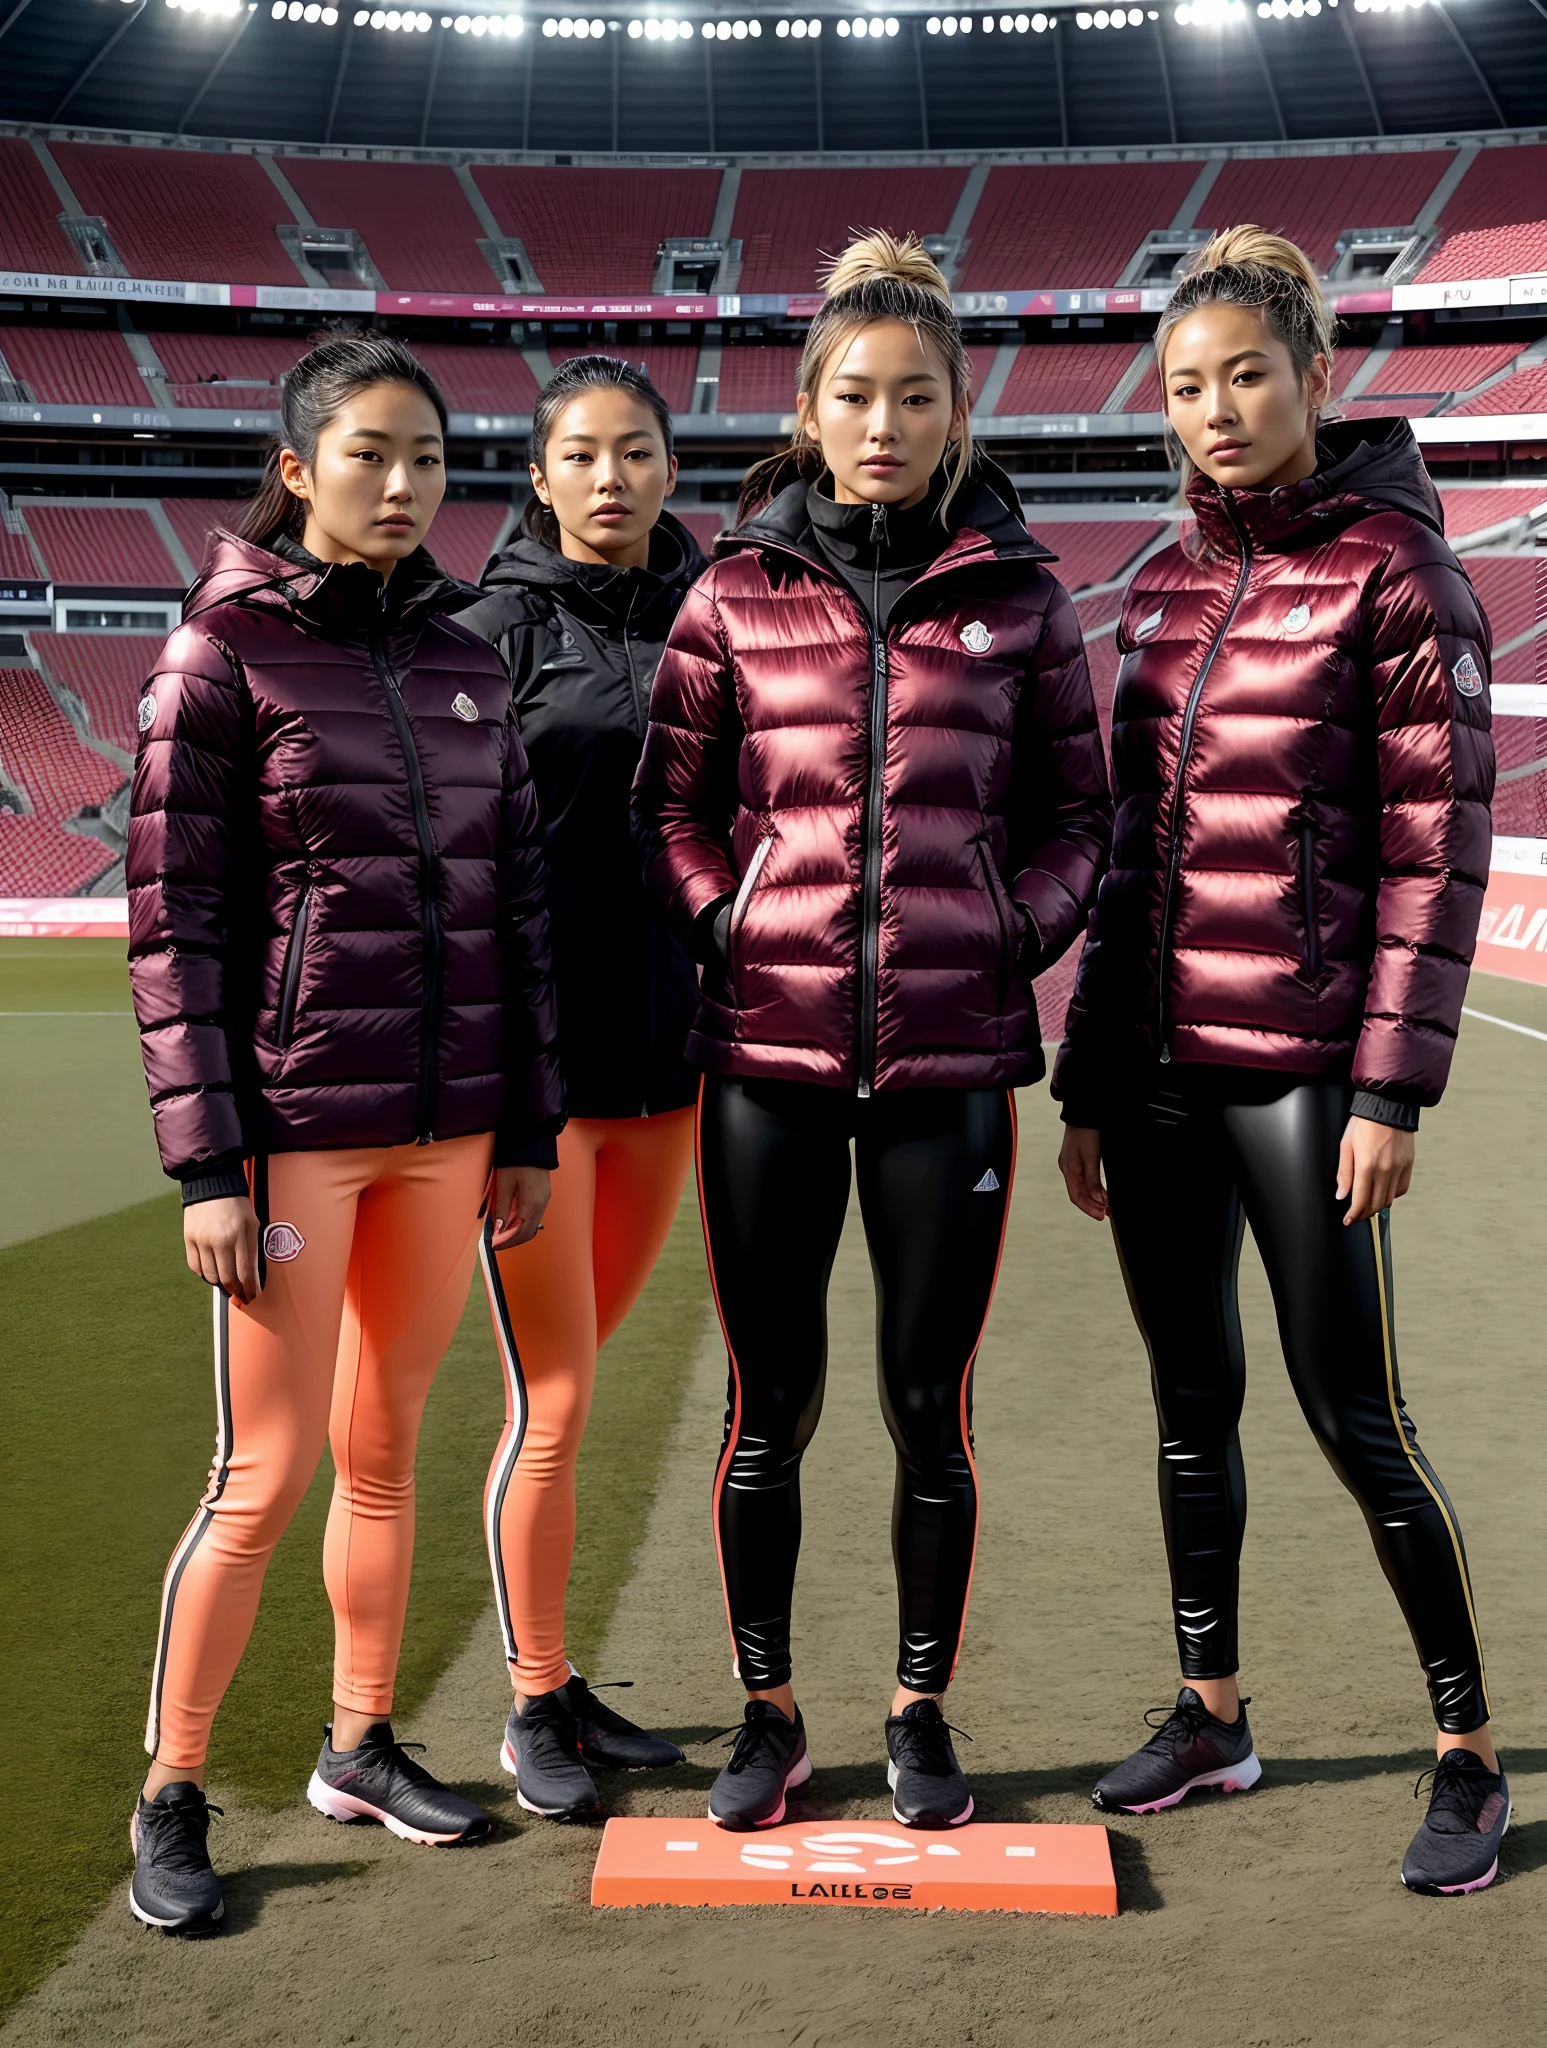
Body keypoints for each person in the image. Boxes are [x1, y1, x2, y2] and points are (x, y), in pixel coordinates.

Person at [632, 232, 1112, 1834]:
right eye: (856, 395)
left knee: (929, 1410)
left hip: (950, 1075)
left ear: (958, 408)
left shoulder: (1025, 601)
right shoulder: (727, 594)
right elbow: (673, 812)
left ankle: (919, 1709)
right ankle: (767, 1714)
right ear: (811, 407)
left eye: (916, 395)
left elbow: (1081, 819)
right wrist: (727, 922)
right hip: (764, 1067)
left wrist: (1009, 933)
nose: (885, 422)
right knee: (770, 1408)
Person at [1053, 228, 1504, 1896]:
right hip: (1162, 1077)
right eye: (1185, 387)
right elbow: (1128, 861)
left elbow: (1435, 850)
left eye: (1247, 373)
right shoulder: (1163, 586)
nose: (1217, 409)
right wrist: (1094, 1082)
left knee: (1353, 1416)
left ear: (1318, 376)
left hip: (1308, 1071)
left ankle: (1465, 1751)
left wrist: (1389, 1087)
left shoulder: (1401, 572)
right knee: (1192, 1407)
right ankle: (1213, 1711)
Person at [125, 335, 563, 1934]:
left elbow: (516, 909)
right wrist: (207, 1164)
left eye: (429, 460)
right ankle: (171, 1789)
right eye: (369, 455)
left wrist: (527, 1123)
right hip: (298, 1135)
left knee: (387, 1459)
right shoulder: (217, 657)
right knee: (267, 1470)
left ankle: (359, 1743)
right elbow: (175, 928)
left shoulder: (467, 658)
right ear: (299, 469)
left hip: (449, 1135)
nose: (402, 486)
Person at [456, 357, 706, 1821]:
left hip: (673, 1082)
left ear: (672, 469)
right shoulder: (488, 632)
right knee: (548, 1400)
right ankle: (529, 1703)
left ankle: (561, 1688)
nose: (610, 478)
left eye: (636, 452)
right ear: (539, 477)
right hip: (541, 1106)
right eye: (581, 455)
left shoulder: (714, 617)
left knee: (579, 1383)